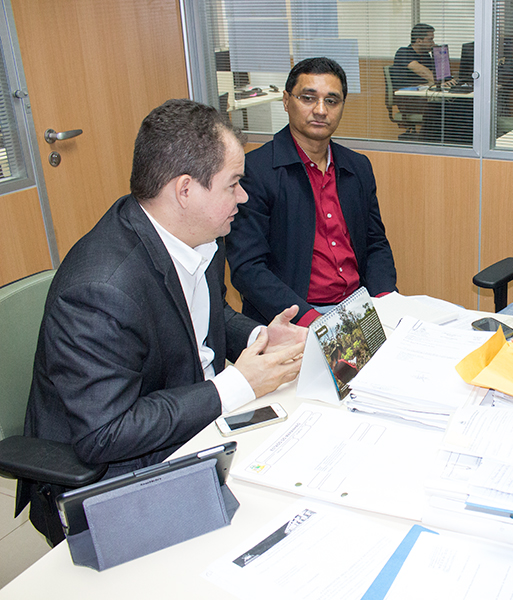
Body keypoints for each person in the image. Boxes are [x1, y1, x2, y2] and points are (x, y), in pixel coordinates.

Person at [24, 99, 308, 542]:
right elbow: (106, 433)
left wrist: (260, 336)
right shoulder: (101, 290)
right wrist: (237, 384)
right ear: (185, 190)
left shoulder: (198, 235)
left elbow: (205, 321)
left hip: (197, 427)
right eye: (234, 184)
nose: (244, 197)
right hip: (121, 470)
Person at [226, 57, 397, 328]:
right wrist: (312, 321)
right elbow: (248, 268)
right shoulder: (255, 172)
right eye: (308, 98)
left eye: (332, 100)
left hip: (358, 306)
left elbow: (375, 244)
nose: (320, 110)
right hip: (295, 316)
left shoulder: (357, 167)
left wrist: (386, 301)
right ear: (286, 100)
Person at [393, 23, 438, 88]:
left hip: (421, 91)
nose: (433, 43)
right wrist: (441, 82)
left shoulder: (425, 55)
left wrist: (436, 54)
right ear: (419, 41)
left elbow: (433, 73)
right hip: (405, 94)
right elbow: (424, 72)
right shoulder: (403, 52)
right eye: (430, 40)